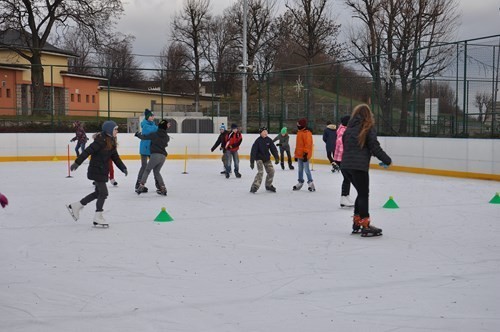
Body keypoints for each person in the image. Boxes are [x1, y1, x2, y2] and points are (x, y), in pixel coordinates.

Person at [341, 104, 392, 237]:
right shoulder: (368, 128)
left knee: (360, 193)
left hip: (346, 167)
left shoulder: (349, 129)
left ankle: (357, 222)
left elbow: (346, 145)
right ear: (368, 115)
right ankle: (365, 224)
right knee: (364, 194)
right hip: (358, 167)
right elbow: (374, 147)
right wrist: (387, 160)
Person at [66, 121, 128, 227]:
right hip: (96, 171)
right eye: (115, 129)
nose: (117, 131)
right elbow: (87, 151)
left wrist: (123, 167)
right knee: (103, 193)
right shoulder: (100, 141)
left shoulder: (111, 142)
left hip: (102, 171)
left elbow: (115, 157)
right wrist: (77, 162)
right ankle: (98, 216)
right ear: (109, 130)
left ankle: (76, 206)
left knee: (98, 193)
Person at [135, 119, 170, 196]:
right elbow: (165, 144)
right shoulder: (167, 137)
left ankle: (141, 186)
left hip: (155, 155)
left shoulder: (154, 134)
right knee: (157, 172)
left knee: (147, 170)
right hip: (163, 156)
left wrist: (138, 135)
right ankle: (163, 188)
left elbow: (144, 137)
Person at [250, 127, 280, 193]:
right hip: (259, 158)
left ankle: (268, 185)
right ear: (260, 133)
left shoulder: (269, 140)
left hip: (266, 158)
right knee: (260, 172)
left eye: (266, 131)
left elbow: (273, 149)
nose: (265, 133)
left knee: (271, 171)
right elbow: (253, 151)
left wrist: (276, 157)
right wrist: (252, 162)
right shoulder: (257, 141)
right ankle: (254, 186)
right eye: (264, 131)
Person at [135, 109, 159, 192]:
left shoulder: (152, 124)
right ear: (147, 117)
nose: (153, 117)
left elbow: (155, 130)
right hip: (145, 148)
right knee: (144, 166)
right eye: (151, 116)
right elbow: (151, 130)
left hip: (151, 148)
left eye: (153, 116)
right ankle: (138, 184)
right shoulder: (145, 124)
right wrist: (158, 128)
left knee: (155, 167)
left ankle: (158, 185)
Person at [334, 115, 354, 208]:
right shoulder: (343, 131)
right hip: (342, 159)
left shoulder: (344, 129)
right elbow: (340, 144)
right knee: (347, 178)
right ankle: (343, 197)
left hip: (342, 158)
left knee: (348, 178)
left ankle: (346, 196)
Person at [293, 118, 315, 192]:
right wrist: (296, 155)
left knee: (306, 169)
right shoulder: (299, 132)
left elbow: (308, 145)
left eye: (298, 125)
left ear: (302, 125)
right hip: (299, 155)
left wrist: (305, 154)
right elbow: (298, 145)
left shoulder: (307, 133)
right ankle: (300, 182)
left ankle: (310, 183)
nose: (297, 126)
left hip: (305, 155)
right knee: (300, 169)